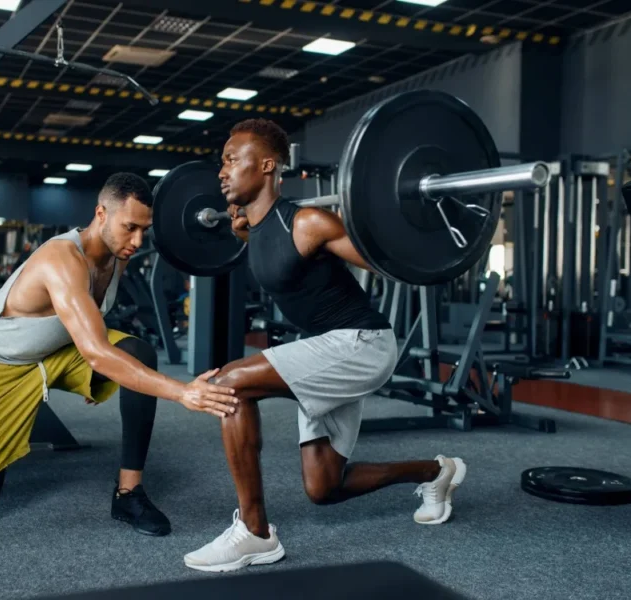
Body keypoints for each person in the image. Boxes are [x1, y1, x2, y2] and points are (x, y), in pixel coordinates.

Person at [0, 173, 240, 537]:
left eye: (144, 230)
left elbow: (98, 330)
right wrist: (182, 391)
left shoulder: (119, 254)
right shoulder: (62, 258)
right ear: (101, 214)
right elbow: (98, 353)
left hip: (58, 350)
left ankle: (129, 492)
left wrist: (236, 226)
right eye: (130, 227)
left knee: (138, 352)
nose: (138, 240)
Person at [183, 120, 467, 572]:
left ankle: (254, 533)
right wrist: (243, 229)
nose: (222, 171)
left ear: (269, 166)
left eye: (233, 160)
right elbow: (262, 242)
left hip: (362, 343)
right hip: (329, 349)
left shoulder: (309, 222)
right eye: (222, 162)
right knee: (324, 488)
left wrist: (415, 215)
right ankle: (435, 472)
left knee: (228, 384)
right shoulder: (250, 228)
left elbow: (390, 261)